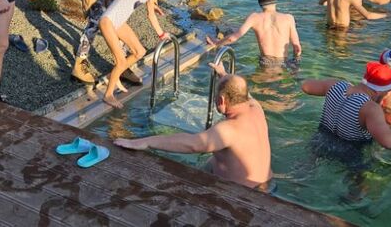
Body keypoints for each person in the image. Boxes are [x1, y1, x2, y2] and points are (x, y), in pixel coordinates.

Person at [115, 74, 273, 190]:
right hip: (267, 185)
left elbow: (194, 145)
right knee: (210, 160)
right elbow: (240, 91)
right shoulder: (256, 108)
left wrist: (144, 142)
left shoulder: (229, 129)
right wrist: (224, 75)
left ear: (221, 100)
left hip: (241, 197)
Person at [99, 0, 179, 108]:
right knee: (121, 61)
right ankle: (108, 95)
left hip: (119, 23)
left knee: (140, 51)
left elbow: (151, 15)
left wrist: (161, 34)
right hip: (108, 22)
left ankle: (114, 75)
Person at [301, 61, 391, 149]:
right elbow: (389, 142)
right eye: (387, 91)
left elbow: (305, 86)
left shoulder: (336, 85)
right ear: (378, 91)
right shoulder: (370, 109)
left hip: (320, 140)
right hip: (349, 151)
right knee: (362, 185)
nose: (387, 95)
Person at [206, 0, 302, 67]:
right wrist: (295, 66)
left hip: (266, 62)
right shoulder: (289, 18)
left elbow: (232, 38)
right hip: (283, 63)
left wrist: (217, 43)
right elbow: (297, 48)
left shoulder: (254, 17)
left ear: (260, 4)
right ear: (275, 1)